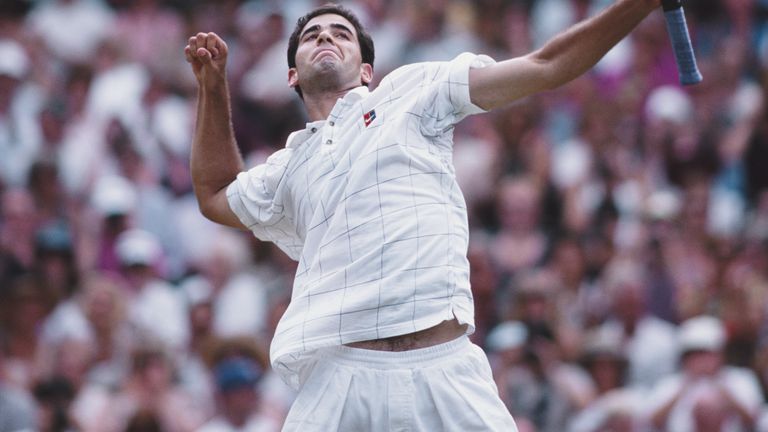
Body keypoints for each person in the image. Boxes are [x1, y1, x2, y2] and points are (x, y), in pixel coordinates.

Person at [184, 1, 662, 429]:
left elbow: (546, 64)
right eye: (311, 35)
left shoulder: (413, 92)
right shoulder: (286, 169)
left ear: (366, 70)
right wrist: (213, 85)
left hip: (445, 368)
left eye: (340, 33)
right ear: (292, 75)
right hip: (338, 377)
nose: (325, 37)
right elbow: (216, 193)